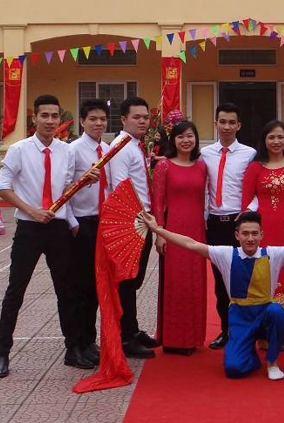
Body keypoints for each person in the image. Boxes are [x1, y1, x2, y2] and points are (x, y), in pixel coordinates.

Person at [140, 210, 284, 380]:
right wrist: (157, 229)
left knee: (277, 311)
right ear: (237, 236)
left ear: (261, 235)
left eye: (254, 233)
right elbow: (190, 243)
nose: (250, 238)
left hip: (265, 313)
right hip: (240, 317)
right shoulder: (225, 254)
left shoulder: (273, 254)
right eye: (245, 234)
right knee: (234, 369)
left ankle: (272, 361)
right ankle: (248, 352)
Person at [0, 94, 100, 377]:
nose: (50, 121)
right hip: (29, 228)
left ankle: (73, 349)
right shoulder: (19, 150)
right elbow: (2, 187)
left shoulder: (66, 151)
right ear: (34, 118)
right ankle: (2, 353)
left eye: (54, 116)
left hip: (58, 228)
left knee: (67, 291)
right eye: (44, 116)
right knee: (16, 291)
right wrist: (32, 211)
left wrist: (83, 184)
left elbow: (65, 189)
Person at [241, 120, 284, 349]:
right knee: (263, 280)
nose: (276, 141)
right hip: (262, 233)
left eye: (280, 137)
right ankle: (265, 336)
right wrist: (247, 235)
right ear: (264, 140)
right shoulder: (255, 168)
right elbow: (245, 203)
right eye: (271, 137)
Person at [201, 103, 257, 350]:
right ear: (215, 124)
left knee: (244, 278)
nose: (226, 127)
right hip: (214, 223)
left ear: (239, 125)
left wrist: (249, 213)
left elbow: (257, 186)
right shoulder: (204, 154)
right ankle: (226, 330)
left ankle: (248, 330)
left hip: (239, 222)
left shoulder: (250, 154)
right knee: (220, 281)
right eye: (222, 122)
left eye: (231, 122)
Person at [152, 120, 208, 355]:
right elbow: (157, 201)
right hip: (173, 229)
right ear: (173, 140)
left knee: (195, 281)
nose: (186, 140)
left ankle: (193, 336)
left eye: (190, 136)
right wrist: (160, 233)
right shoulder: (163, 166)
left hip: (197, 229)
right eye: (180, 136)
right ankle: (174, 339)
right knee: (175, 282)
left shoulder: (202, 166)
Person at [108, 97, 158, 359]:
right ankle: (126, 338)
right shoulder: (120, 147)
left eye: (145, 117)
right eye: (136, 117)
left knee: (134, 280)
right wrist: (140, 219)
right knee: (127, 282)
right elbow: (121, 188)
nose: (142, 121)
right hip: (131, 221)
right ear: (123, 119)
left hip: (141, 220)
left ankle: (133, 329)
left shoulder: (134, 145)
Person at [66, 98, 111, 366]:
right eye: (93, 119)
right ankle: (76, 343)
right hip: (81, 224)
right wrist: (73, 224)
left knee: (96, 285)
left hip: (103, 223)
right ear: (82, 121)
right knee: (80, 286)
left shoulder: (109, 149)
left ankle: (89, 341)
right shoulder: (73, 150)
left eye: (102, 119)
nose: (98, 123)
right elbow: (63, 188)